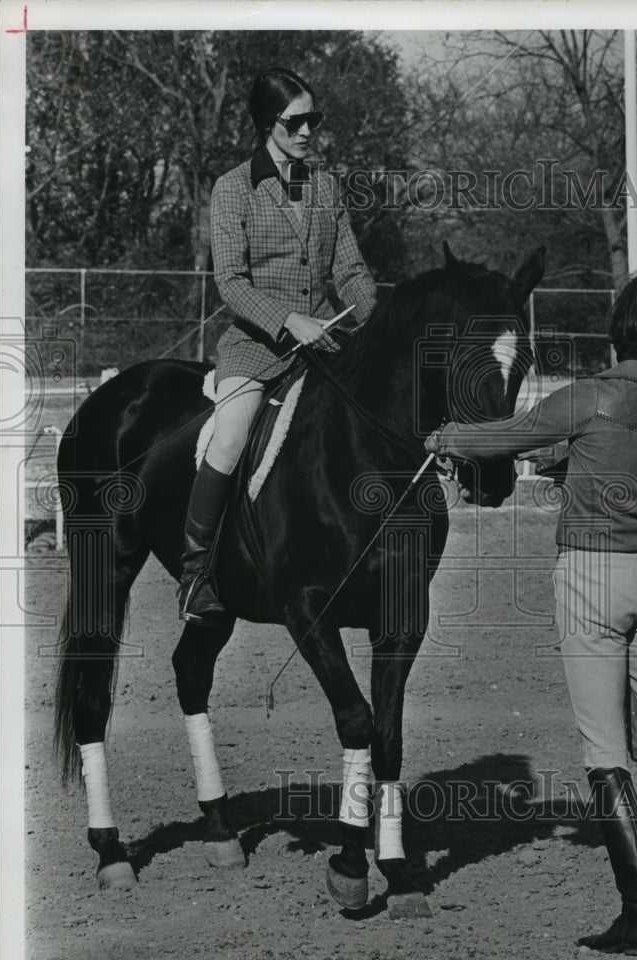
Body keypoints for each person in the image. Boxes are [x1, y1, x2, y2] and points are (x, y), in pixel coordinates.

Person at [426, 267, 637, 956]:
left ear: (624, 325)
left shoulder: (590, 394)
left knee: (604, 755)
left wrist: (443, 439)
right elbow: (625, 463)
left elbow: (507, 435)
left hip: (591, 575)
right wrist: (572, 463)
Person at [179, 67, 377, 625]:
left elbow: (352, 270)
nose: (310, 130)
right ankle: (195, 575)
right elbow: (232, 282)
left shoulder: (327, 186)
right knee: (232, 433)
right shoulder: (232, 188)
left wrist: (377, 320)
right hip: (256, 344)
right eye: (298, 121)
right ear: (270, 124)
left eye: (316, 119)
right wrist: (289, 320)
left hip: (325, 342)